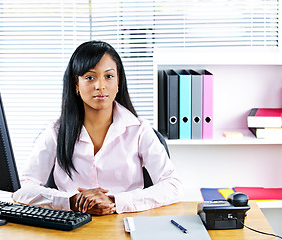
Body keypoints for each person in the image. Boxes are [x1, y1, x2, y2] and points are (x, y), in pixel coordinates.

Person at [12, 40, 183, 215]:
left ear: (118, 82)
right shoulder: (56, 132)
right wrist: (70, 201)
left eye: (108, 76)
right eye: (90, 77)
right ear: (76, 84)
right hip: (71, 226)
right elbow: (23, 187)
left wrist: (115, 201)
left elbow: (173, 185)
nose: (100, 86)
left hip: (125, 222)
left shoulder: (139, 130)